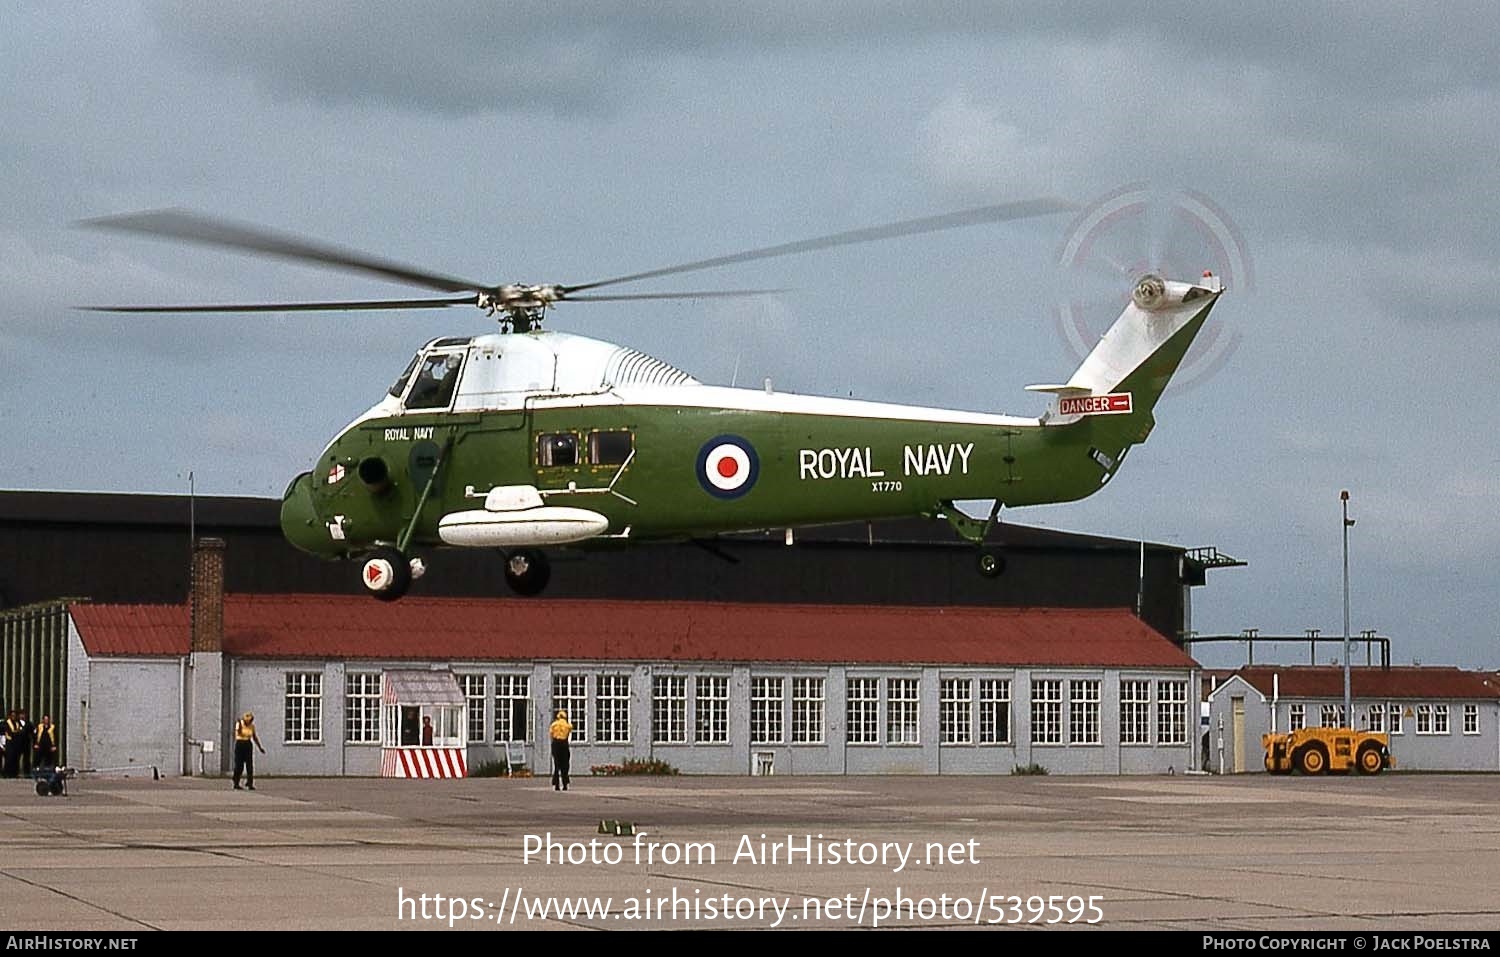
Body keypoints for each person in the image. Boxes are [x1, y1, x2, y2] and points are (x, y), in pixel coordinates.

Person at [232, 711, 265, 790]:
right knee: (239, 765)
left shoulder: (252, 726)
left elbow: (254, 737)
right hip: (240, 744)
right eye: (248, 720)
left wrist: (260, 747)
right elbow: (238, 733)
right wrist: (240, 724)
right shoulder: (239, 724)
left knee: (249, 765)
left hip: (248, 744)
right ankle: (236, 782)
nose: (249, 722)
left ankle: (250, 783)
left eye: (251, 720)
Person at [549, 709, 573, 791]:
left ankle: (556, 785)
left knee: (556, 765)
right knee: (565, 765)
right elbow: (570, 730)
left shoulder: (554, 725)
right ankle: (565, 784)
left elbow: (551, 734)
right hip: (564, 744)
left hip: (556, 744)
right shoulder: (567, 725)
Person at [2, 710, 19, 778]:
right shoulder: (6, 723)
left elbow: (18, 731)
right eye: (12, 715)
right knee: (9, 758)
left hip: (15, 743)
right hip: (9, 742)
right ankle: (7, 773)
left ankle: (14, 773)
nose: (13, 717)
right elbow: (7, 732)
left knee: (15, 758)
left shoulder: (17, 723)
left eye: (14, 716)